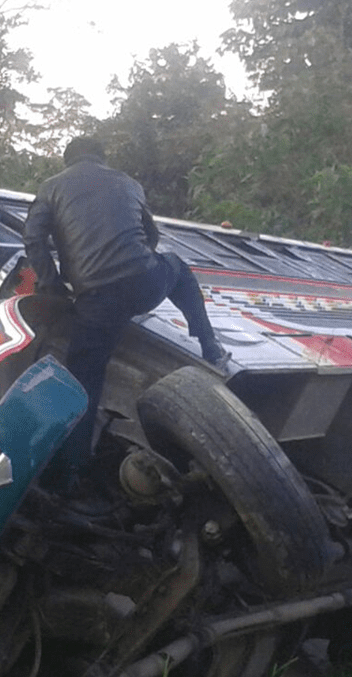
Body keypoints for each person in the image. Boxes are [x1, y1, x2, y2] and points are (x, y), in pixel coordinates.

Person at [22, 136, 229, 478]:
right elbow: (151, 235)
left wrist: (51, 285)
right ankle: (210, 345)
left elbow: (33, 238)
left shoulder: (51, 188)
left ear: (67, 160)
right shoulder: (128, 183)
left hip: (97, 300)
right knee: (177, 267)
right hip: (145, 284)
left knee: (84, 379)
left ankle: (70, 472)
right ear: (101, 158)